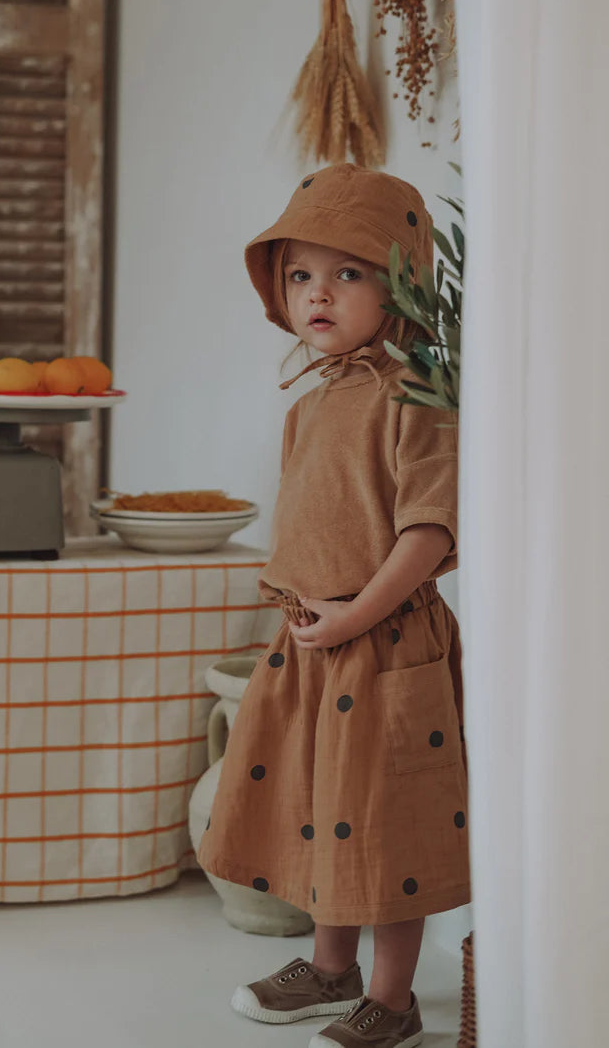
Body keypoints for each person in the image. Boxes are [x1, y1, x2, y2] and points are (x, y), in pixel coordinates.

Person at [197, 163, 469, 1048]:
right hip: (314, 643)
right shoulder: (310, 406)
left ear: (401, 285)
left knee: (388, 822)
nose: (319, 293)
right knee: (322, 807)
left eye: (348, 272)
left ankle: (392, 1000)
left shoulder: (417, 396)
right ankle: (330, 969)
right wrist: (307, 614)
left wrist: (353, 617)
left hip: (385, 642)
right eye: (302, 275)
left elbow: (426, 533)